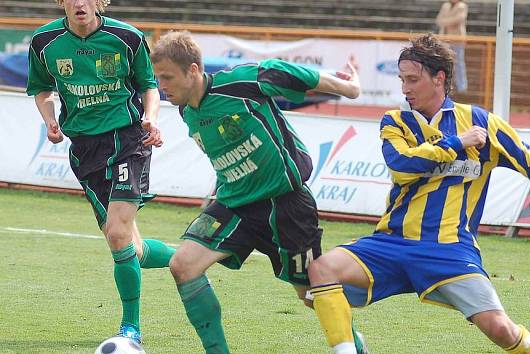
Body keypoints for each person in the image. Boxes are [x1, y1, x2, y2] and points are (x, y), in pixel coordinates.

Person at [307, 33, 530, 354]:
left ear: (439, 78)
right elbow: (402, 165)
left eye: (412, 80)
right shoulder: (396, 120)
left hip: (450, 251)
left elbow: (528, 158)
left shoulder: (480, 121)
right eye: (402, 79)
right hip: (391, 242)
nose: (404, 88)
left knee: (500, 328)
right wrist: (456, 143)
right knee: (320, 272)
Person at [149, 31, 363, 354]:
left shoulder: (242, 82)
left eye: (166, 78)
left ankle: (355, 346)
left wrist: (349, 88)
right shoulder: (186, 110)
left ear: (193, 71)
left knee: (310, 295)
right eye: (158, 79)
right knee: (183, 264)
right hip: (235, 205)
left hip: (286, 204)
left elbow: (293, 74)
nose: (161, 87)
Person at [26, 0, 176, 343]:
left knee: (117, 234)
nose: (80, 3)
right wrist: (50, 119)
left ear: (100, 2)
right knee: (130, 247)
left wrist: (151, 117)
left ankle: (130, 330)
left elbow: (149, 85)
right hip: (84, 150)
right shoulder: (43, 42)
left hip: (128, 140)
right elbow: (42, 90)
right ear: (61, 2)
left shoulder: (127, 37)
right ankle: (187, 260)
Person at [436, 0, 468, 93]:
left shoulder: (462, 6)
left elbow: (458, 19)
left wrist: (445, 21)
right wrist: (447, 21)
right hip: (444, 40)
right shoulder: (445, 5)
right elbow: (438, 20)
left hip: (457, 39)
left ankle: (462, 87)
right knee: (444, 62)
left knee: (459, 63)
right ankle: (446, 85)